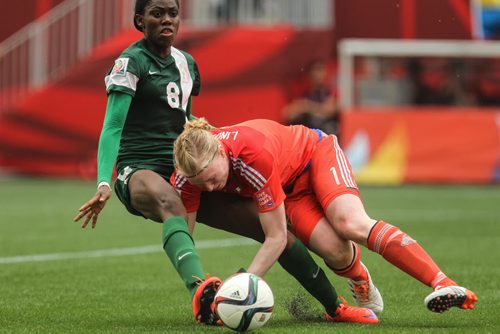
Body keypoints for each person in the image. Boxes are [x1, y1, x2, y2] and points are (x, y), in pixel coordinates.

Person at [73, 0, 379, 325]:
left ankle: (336, 307)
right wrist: (105, 181)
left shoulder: (186, 64)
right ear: (139, 20)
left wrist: (218, 143)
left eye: (172, 13)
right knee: (171, 202)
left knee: (278, 233)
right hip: (139, 168)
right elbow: (113, 127)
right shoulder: (130, 63)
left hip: (187, 169)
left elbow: (184, 119)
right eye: (157, 13)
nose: (166, 20)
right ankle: (201, 291)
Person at [172, 117, 478, 315]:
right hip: (289, 192)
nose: (213, 188)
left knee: (350, 223)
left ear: (221, 153)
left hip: (314, 155)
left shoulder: (253, 155)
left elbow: (276, 237)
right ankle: (360, 277)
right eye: (204, 185)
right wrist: (198, 285)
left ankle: (444, 283)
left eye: (214, 179)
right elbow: (186, 233)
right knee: (335, 250)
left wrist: (246, 284)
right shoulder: (188, 177)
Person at [282, 60, 339, 135]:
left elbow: (329, 110)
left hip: (327, 133)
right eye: (316, 71)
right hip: (310, 134)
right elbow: (287, 114)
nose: (318, 75)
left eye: (321, 71)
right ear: (309, 75)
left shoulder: (331, 92)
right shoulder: (305, 93)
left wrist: (307, 106)